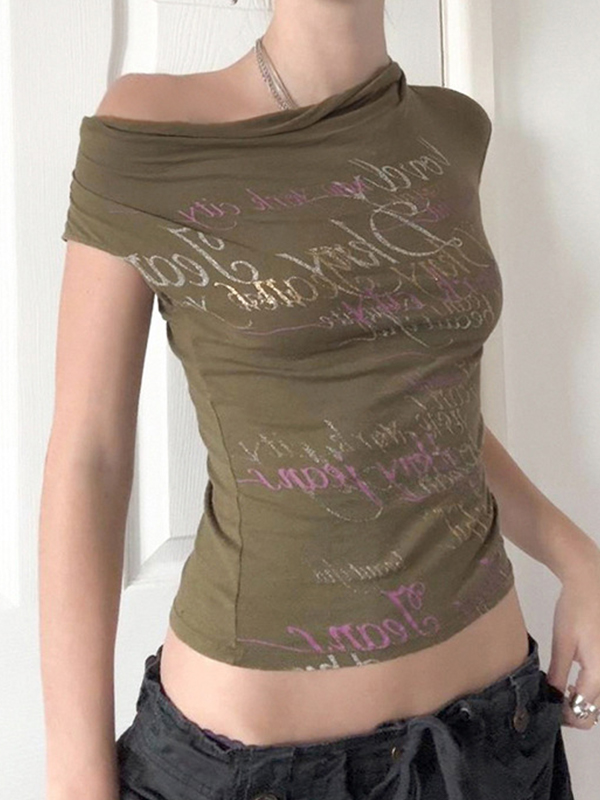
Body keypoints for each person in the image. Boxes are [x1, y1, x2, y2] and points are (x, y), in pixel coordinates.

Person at [40, 0, 600, 798]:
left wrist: (580, 558)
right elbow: (89, 455)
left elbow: (428, 417)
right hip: (254, 769)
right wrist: (74, 777)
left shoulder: (451, 132)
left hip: (493, 742)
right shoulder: (150, 128)